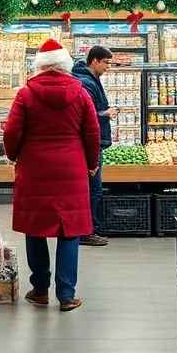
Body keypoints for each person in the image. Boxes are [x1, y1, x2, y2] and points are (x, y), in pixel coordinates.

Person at [2, 38, 100, 312]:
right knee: (70, 231)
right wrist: (91, 162)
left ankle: (40, 290)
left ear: (41, 65)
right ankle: (66, 295)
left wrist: (13, 155)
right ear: (65, 64)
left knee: (36, 228)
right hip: (72, 168)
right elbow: (92, 132)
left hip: (34, 169)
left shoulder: (26, 93)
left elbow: (11, 131)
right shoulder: (81, 93)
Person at [71, 45, 118, 247]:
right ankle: (87, 231)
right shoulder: (86, 82)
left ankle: (89, 228)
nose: (108, 67)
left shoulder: (89, 79)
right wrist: (106, 114)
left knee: (92, 188)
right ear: (94, 61)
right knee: (94, 189)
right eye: (106, 62)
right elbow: (86, 116)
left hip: (89, 143)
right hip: (89, 144)